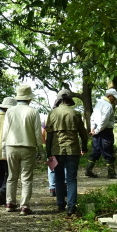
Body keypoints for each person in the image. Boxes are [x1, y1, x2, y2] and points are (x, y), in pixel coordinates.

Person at [45, 88, 88, 216]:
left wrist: (48, 152)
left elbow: (49, 136)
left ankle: (60, 204)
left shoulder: (52, 114)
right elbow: (83, 133)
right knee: (71, 179)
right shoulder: (76, 113)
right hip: (73, 150)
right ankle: (71, 207)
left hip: (56, 150)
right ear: (70, 100)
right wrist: (84, 147)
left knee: (58, 178)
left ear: (59, 100)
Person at [1, 84, 42, 216]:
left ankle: (10, 203)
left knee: (12, 177)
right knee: (26, 178)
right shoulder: (33, 111)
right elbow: (37, 132)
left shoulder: (10, 111)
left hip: (11, 146)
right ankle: (24, 206)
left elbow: (5, 132)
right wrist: (40, 149)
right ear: (29, 98)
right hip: (28, 147)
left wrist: (3, 150)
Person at [86, 87, 117, 178]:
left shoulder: (98, 103)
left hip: (97, 129)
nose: (115, 100)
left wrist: (93, 128)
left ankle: (88, 170)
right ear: (109, 96)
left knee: (96, 150)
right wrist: (97, 130)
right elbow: (104, 120)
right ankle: (111, 173)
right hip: (105, 131)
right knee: (108, 151)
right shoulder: (108, 106)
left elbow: (92, 117)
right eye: (114, 98)